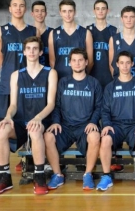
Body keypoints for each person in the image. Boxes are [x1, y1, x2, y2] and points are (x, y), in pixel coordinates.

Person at [0, 36, 57, 195]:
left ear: (40, 52)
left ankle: (39, 177)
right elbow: (13, 105)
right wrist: (7, 117)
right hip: (20, 121)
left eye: (35, 49)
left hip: (41, 120)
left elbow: (51, 103)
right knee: (1, 130)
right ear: (24, 52)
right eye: (28, 49)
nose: (32, 52)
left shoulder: (50, 73)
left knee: (34, 130)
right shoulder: (16, 75)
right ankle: (5, 177)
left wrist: (38, 118)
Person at [0, 0, 39, 180]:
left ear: (25, 9)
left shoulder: (33, 30)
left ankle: (31, 158)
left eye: (22, 6)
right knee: (3, 124)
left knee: (28, 120)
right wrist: (11, 76)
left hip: (28, 84)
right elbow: (1, 60)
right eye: (15, 6)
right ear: (10, 8)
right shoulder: (0, 31)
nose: (18, 9)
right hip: (7, 85)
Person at [44, 48, 102, 190]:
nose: (77, 63)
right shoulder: (63, 82)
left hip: (84, 127)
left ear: (86, 62)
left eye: (80, 60)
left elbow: (99, 107)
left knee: (95, 136)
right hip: (65, 126)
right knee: (47, 136)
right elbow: (56, 106)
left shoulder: (94, 83)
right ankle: (58, 175)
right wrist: (56, 122)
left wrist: (93, 122)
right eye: (74, 60)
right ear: (69, 63)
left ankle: (87, 174)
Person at [96, 51, 135, 191]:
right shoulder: (110, 87)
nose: (125, 66)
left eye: (128, 63)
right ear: (117, 65)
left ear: (132, 64)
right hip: (116, 125)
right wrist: (107, 124)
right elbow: (105, 110)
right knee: (105, 139)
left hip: (134, 124)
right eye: (122, 63)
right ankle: (106, 176)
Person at [49, 0, 94, 79]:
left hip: (80, 79)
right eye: (64, 11)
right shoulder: (53, 33)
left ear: (75, 12)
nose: (67, 14)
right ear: (60, 13)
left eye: (70, 11)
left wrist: (81, 76)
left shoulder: (86, 33)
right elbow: (52, 62)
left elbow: (90, 62)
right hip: (60, 79)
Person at [109, 6, 135, 83]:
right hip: (120, 85)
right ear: (121, 19)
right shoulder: (113, 39)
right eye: (126, 17)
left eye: (132, 17)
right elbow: (112, 65)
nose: (129, 20)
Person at [87, 0, 116, 89]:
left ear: (107, 10)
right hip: (92, 74)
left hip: (108, 75)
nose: (100, 11)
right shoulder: (87, 30)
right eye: (98, 9)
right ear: (94, 11)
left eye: (103, 8)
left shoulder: (114, 30)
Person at [31, 0, 53, 67]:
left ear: (46, 13)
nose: (40, 13)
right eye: (37, 11)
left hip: (49, 72)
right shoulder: (27, 31)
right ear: (32, 14)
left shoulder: (53, 32)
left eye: (42, 11)